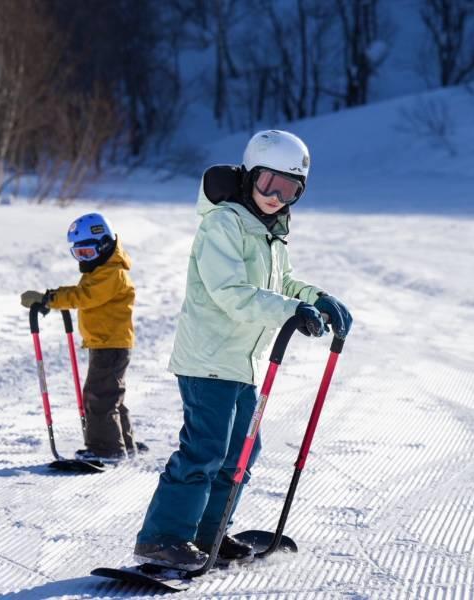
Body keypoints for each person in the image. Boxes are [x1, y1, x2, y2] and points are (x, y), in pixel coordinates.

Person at [133, 130, 353, 569]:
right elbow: (230, 291)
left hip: (244, 363)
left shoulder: (270, 233)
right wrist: (292, 310)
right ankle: (163, 537)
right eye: (269, 182)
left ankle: (207, 534)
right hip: (209, 359)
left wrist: (315, 297)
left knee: (240, 454)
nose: (277, 196)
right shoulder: (223, 223)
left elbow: (283, 282)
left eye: (290, 189)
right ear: (250, 175)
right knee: (205, 451)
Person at [20, 213, 140, 463]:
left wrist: (49, 298)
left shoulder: (112, 274)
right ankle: (123, 443)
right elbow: (84, 293)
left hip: (110, 343)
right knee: (109, 394)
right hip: (106, 342)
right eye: (79, 254)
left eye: (88, 253)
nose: (85, 259)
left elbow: (84, 296)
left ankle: (107, 448)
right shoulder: (102, 269)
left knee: (99, 396)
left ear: (105, 244)